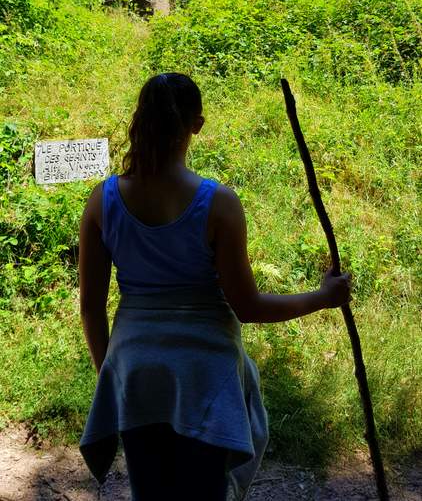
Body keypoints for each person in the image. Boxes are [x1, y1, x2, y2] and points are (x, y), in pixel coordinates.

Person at [79, 72, 351, 501]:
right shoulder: (218, 203)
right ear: (197, 125)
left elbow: (91, 308)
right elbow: (248, 306)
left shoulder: (103, 200)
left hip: (135, 370)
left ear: (141, 119)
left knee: (151, 493)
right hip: (206, 374)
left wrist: (111, 376)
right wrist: (323, 297)